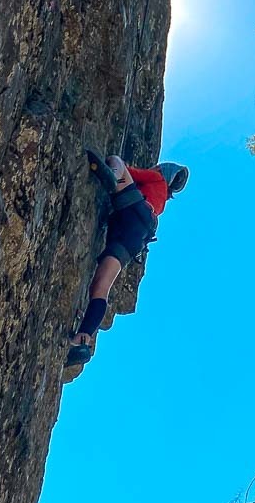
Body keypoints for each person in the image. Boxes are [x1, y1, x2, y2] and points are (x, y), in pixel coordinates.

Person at [66, 152, 189, 368]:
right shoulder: (161, 201)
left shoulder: (157, 177)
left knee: (117, 162)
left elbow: (133, 173)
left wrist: (121, 170)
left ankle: (112, 175)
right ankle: (82, 339)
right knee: (100, 288)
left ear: (163, 171)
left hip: (132, 209)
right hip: (134, 239)